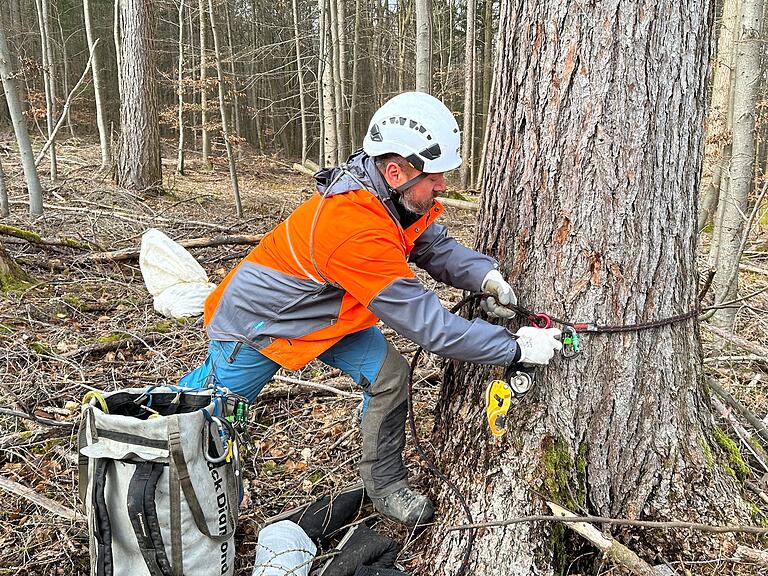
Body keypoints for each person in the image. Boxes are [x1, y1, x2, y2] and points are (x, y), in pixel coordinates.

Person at [181, 92, 562, 526]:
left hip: (326, 314)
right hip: (256, 325)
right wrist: (513, 349)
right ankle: (174, 500)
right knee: (208, 418)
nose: (442, 186)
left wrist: (483, 275)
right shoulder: (354, 227)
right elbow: (429, 326)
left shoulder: (390, 197)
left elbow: (432, 244)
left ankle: (385, 487)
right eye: (433, 176)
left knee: (390, 377)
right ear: (396, 169)